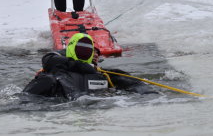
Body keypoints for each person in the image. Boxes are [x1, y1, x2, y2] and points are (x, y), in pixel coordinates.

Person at [23, 33, 154, 99]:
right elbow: (52, 59)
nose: (95, 55)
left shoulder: (104, 75)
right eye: (93, 52)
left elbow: (133, 83)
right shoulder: (55, 66)